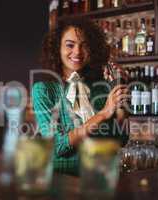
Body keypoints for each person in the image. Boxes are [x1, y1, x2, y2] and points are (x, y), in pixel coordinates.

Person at [31, 18, 129, 175]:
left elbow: (121, 140)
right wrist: (103, 113)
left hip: (100, 177)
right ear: (57, 49)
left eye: (84, 46)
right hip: (64, 182)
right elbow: (58, 146)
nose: (77, 52)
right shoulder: (44, 90)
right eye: (70, 45)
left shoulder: (101, 87)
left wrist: (119, 94)